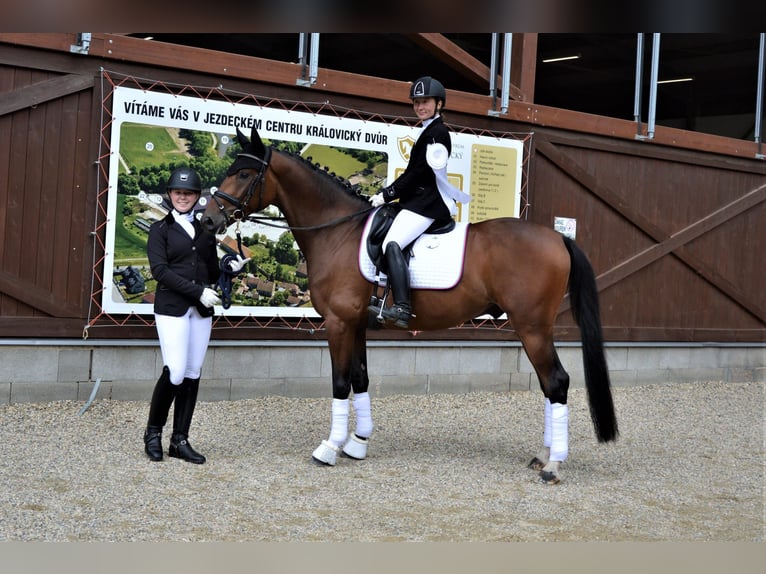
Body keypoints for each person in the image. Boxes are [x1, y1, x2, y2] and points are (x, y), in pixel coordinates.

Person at [143, 166, 248, 464]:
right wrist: (196, 291)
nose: (183, 197)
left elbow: (211, 270)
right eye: (178, 192)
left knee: (192, 373)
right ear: (170, 194)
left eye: (188, 193)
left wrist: (231, 266)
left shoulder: (205, 230)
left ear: (196, 196)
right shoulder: (159, 230)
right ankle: (153, 434)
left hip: (201, 311)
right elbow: (159, 271)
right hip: (172, 309)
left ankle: (180, 440)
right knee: (175, 371)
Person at [368, 76, 470, 328]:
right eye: (416, 103)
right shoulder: (428, 130)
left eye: (425, 102)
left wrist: (387, 193)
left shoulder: (438, 133)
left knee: (392, 243)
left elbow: (420, 173)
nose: (420, 107)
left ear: (439, 104)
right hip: (417, 201)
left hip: (426, 204)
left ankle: (402, 307)